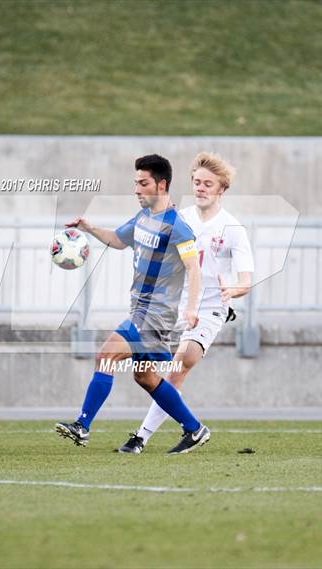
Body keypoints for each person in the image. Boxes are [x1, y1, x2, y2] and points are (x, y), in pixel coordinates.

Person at [56, 154, 210, 454]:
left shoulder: (177, 227)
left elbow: (193, 268)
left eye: (143, 183)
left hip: (155, 314)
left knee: (106, 356)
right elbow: (117, 239)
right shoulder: (143, 218)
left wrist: (191, 308)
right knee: (145, 376)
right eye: (135, 183)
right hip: (140, 310)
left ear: (161, 184)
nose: (137, 189)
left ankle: (82, 425)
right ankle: (194, 429)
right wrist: (89, 228)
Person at [117, 151, 254, 454]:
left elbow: (246, 280)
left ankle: (142, 437)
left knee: (179, 366)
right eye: (196, 182)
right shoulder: (180, 218)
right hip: (171, 307)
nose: (201, 188)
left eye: (208, 183)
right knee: (143, 373)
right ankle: (179, 430)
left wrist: (232, 289)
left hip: (209, 310)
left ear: (221, 189)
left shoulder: (233, 229)